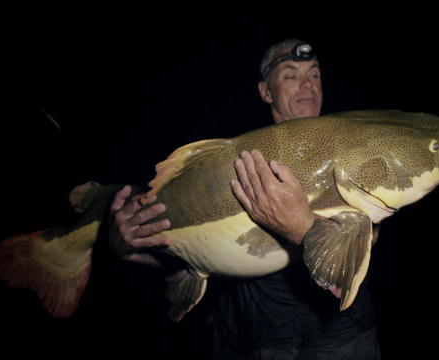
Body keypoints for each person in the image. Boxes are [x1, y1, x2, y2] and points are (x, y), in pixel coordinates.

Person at [108, 39, 381, 359]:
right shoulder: (241, 160)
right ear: (266, 92)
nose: (307, 86)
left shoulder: (352, 144)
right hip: (252, 342)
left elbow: (369, 234)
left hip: (341, 339)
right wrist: (120, 241)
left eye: (314, 74)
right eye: (291, 76)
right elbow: (177, 252)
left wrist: (304, 228)